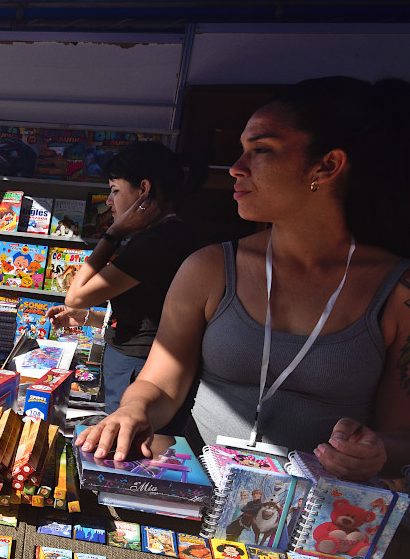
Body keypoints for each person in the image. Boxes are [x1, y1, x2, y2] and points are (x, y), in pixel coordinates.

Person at [79, 77, 410, 482]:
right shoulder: (210, 268)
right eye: (242, 150)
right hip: (198, 496)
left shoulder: (397, 290)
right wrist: (133, 410)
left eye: (261, 150)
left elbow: (400, 434)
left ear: (327, 166)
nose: (236, 167)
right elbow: (161, 382)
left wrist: (375, 452)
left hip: (320, 525)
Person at [47, 141, 198, 428]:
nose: (108, 200)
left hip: (139, 372)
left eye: (115, 190)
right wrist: (88, 318)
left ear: (143, 189)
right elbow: (152, 313)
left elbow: (76, 295)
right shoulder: (170, 235)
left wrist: (113, 233)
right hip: (138, 366)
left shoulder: (156, 243)